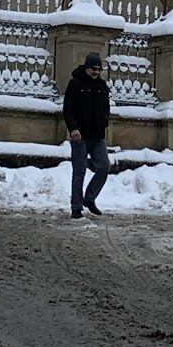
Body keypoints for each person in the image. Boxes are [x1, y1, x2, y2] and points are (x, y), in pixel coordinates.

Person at [62, 50, 111, 220]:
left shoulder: (102, 86)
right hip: (80, 136)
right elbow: (68, 109)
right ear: (86, 68)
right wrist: (73, 128)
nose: (96, 72)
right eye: (93, 69)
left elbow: (106, 108)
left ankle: (89, 198)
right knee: (79, 171)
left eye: (99, 69)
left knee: (104, 167)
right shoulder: (75, 84)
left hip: (97, 136)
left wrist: (104, 122)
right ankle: (76, 207)